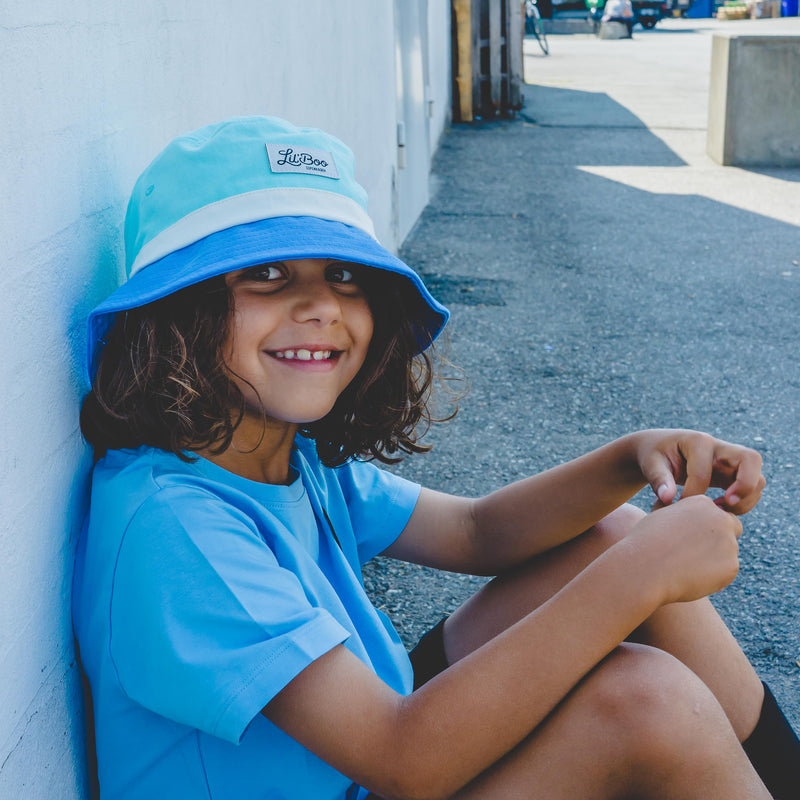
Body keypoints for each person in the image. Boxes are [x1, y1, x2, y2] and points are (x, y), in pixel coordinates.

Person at [73, 116, 799, 800]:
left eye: (345, 276)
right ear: (176, 312)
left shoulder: (281, 451)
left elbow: (478, 532)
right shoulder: (174, 527)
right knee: (645, 702)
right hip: (384, 754)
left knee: (612, 536)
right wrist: (645, 577)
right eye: (266, 275)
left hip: (363, 750)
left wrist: (631, 457)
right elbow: (404, 759)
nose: (321, 305)